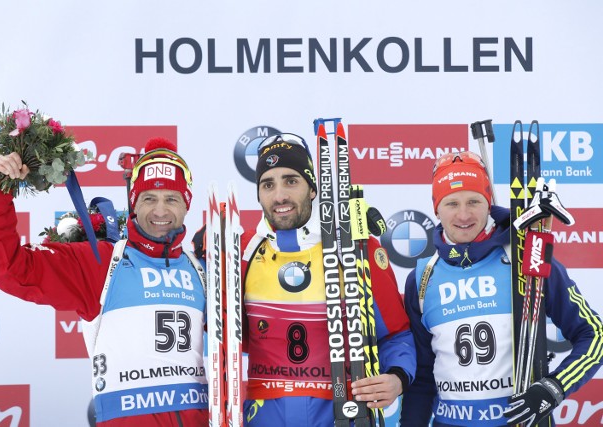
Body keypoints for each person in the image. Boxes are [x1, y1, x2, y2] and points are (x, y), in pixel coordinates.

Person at [0, 137, 208, 426]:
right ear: (134, 204)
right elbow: (9, 267)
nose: (160, 211)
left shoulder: (201, 270)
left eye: (171, 199)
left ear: (186, 205)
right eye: (149, 198)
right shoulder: (100, 264)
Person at [400, 151, 603, 426]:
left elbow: (595, 336)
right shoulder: (423, 277)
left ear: (488, 202)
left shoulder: (525, 258)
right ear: (436, 208)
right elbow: (423, 376)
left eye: (474, 201)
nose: (463, 214)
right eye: (451, 203)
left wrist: (553, 388)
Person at [240, 133, 416, 426]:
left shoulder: (357, 248)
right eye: (268, 184)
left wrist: (397, 378)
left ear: (311, 188)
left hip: (341, 413)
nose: (280, 195)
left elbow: (396, 335)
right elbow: (230, 340)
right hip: (264, 416)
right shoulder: (241, 253)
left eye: (291, 181)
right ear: (258, 193)